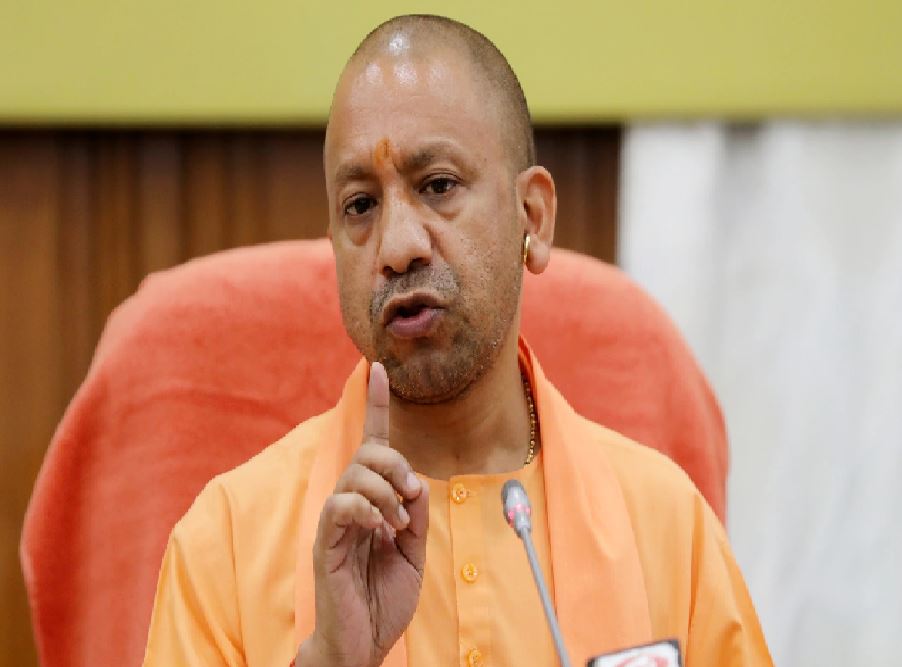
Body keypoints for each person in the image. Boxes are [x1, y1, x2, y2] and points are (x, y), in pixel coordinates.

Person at [142, 14, 772, 667]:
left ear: (533, 216)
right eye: (361, 205)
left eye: (438, 186)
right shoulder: (226, 545)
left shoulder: (667, 527)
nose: (397, 246)